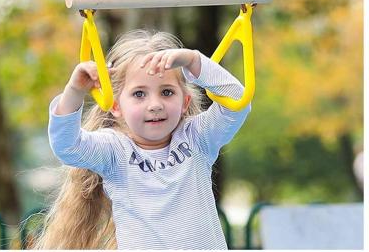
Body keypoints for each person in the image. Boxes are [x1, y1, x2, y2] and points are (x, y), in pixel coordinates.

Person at [36, 29, 251, 249]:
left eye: (167, 92)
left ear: (185, 102)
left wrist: (193, 60)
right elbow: (67, 147)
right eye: (139, 94)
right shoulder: (114, 151)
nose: (155, 105)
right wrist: (75, 90)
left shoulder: (197, 138)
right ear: (116, 106)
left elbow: (237, 101)